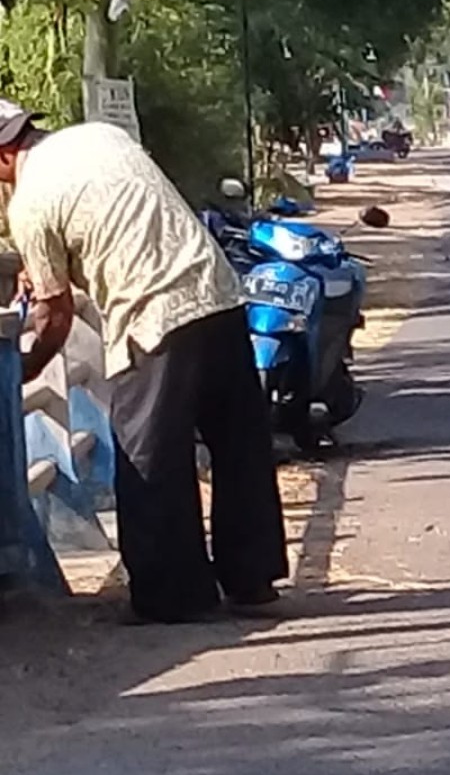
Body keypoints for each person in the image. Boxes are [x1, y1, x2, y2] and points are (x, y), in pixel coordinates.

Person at [0, 98, 288, 623]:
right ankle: (253, 580)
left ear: (2, 157)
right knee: (238, 443)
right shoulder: (99, 137)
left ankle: (173, 597)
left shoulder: (28, 203)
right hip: (216, 291)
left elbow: (55, 312)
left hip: (152, 315)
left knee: (147, 455)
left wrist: (26, 367)